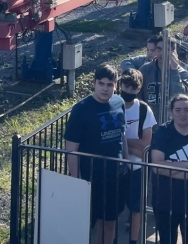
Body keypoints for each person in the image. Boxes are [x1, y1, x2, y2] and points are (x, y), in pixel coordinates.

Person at [64, 64, 128, 244]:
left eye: (110, 84)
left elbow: (122, 134)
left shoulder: (119, 103)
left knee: (110, 221)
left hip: (116, 175)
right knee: (86, 223)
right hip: (91, 177)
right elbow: (71, 149)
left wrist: (127, 161)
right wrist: (76, 180)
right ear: (94, 83)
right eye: (101, 83)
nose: (105, 88)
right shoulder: (81, 110)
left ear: (115, 85)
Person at [150, 94, 188, 244]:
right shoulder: (162, 132)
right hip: (165, 200)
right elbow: (157, 166)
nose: (182, 114)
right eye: (178, 110)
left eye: (186, 109)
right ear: (171, 112)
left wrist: (170, 167)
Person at [120, 69, 156, 244]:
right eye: (126, 86)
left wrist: (123, 142)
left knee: (136, 207)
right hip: (117, 165)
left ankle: (133, 240)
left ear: (139, 88)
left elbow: (146, 145)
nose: (128, 91)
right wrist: (134, 144)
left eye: (133, 87)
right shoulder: (111, 105)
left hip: (137, 167)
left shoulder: (143, 110)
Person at [141, 38, 188, 112]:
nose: (162, 53)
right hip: (149, 120)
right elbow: (138, 97)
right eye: (159, 49)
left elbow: (179, 97)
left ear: (174, 52)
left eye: (166, 49)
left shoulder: (182, 74)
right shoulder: (145, 70)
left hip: (171, 121)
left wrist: (174, 70)